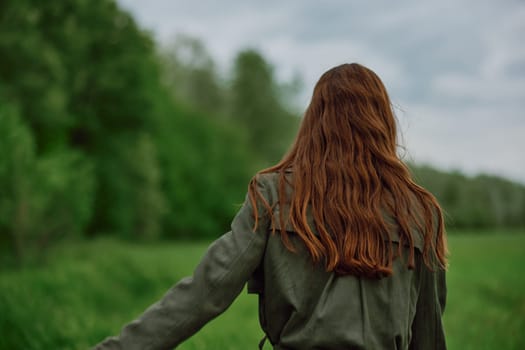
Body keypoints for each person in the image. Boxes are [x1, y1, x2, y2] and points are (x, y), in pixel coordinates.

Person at [94, 63, 448, 350]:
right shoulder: (419, 211)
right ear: (382, 122)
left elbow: (204, 292)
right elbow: (429, 335)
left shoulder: (273, 193)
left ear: (315, 121)